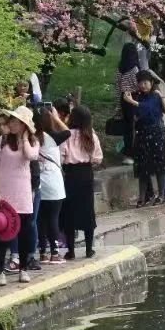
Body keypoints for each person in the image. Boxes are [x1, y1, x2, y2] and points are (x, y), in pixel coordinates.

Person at [0, 107, 39, 285]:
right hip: (4, 193)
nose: (11, 123)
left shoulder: (33, 141)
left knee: (24, 233)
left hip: (23, 193)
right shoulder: (1, 141)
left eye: (15, 121)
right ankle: (0, 271)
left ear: (23, 125)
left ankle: (23, 268)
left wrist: (25, 138)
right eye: (11, 120)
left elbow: (31, 156)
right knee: (3, 233)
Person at [124, 70, 165, 206]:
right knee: (142, 167)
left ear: (151, 83)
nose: (143, 85)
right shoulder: (137, 97)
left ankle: (163, 195)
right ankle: (144, 196)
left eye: (145, 82)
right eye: (140, 83)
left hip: (156, 134)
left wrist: (133, 103)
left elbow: (149, 108)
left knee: (160, 166)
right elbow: (134, 115)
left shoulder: (155, 96)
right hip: (142, 134)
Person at [59, 105, 102, 259]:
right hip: (86, 174)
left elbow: (61, 156)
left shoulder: (66, 136)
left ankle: (71, 251)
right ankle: (89, 249)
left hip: (70, 174)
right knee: (87, 210)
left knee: (69, 211)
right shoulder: (91, 136)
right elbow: (98, 158)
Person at [35, 107, 69, 264]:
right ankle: (55, 253)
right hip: (53, 182)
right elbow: (68, 131)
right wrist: (56, 118)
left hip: (38, 183)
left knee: (40, 219)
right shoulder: (53, 137)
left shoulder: (31, 138)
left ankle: (42, 252)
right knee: (53, 217)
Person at [115, 42, 141, 164]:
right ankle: (134, 154)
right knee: (134, 127)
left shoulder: (120, 68)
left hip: (123, 98)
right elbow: (138, 85)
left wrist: (118, 105)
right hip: (134, 98)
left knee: (127, 127)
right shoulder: (134, 68)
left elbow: (117, 86)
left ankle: (127, 153)